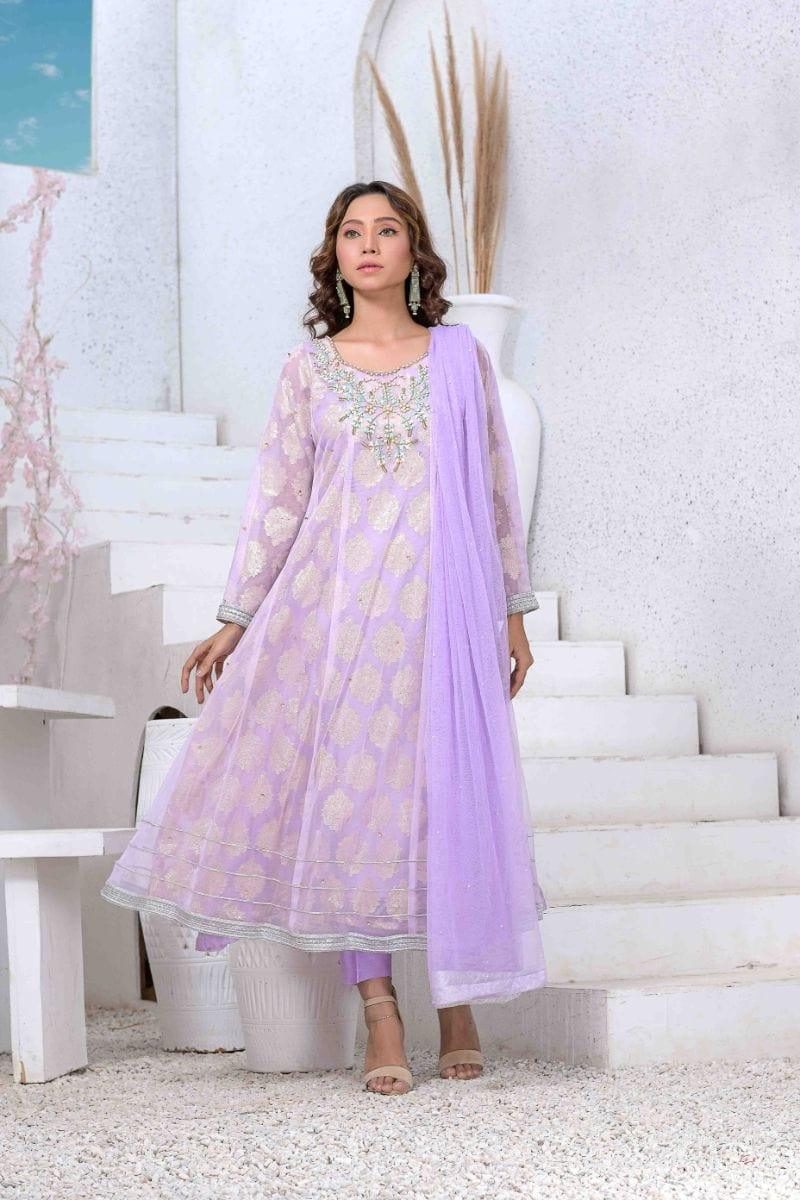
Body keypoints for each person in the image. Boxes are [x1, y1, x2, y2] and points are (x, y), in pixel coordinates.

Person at [102, 180, 548, 1096]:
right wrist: (236, 618)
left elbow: (497, 490)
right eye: (353, 231)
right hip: (335, 620)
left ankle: (457, 1000)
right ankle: (381, 1010)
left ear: (413, 250)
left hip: (442, 615)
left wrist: (510, 612)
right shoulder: (308, 370)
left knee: (445, 797)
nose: (369, 244)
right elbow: (279, 501)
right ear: (335, 255)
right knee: (351, 809)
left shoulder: (458, 358)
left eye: (387, 230)